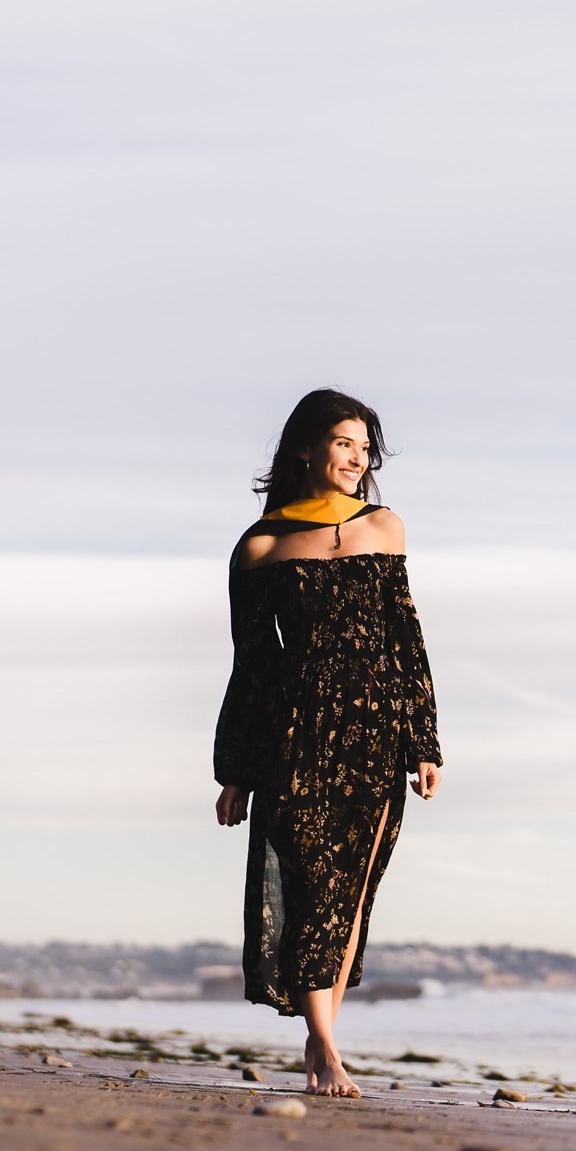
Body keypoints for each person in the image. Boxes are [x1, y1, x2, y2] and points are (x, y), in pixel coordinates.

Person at [212, 387, 444, 1097]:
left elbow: (406, 640)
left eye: (364, 447)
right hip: (296, 734)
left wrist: (424, 740)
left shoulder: (385, 528)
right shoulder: (263, 544)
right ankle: (327, 1048)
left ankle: (322, 1045)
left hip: (376, 737)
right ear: (308, 446)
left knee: (349, 895)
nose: (357, 458)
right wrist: (235, 771)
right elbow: (251, 664)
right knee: (310, 883)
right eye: (345, 442)